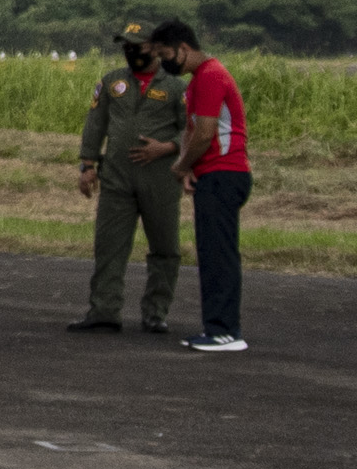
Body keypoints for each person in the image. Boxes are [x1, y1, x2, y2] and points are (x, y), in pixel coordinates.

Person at [69, 21, 186, 335]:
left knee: (165, 247)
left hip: (160, 179)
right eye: (126, 45)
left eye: (138, 44)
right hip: (117, 179)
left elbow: (192, 127)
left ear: (154, 46)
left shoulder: (176, 86)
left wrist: (168, 147)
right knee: (109, 247)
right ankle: (104, 311)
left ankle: (155, 313)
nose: (131, 51)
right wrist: (87, 165)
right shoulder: (111, 82)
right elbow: (96, 123)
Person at [149, 18, 252, 353]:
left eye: (166, 54)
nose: (165, 62)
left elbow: (205, 133)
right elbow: (193, 131)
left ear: (184, 48)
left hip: (224, 172)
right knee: (212, 252)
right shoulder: (199, 80)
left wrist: (181, 166)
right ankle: (219, 327)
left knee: (219, 254)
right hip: (214, 173)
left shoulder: (209, 77)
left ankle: (225, 331)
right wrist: (191, 168)